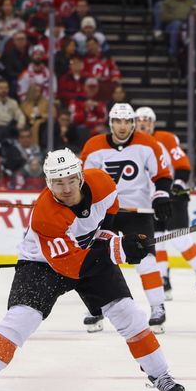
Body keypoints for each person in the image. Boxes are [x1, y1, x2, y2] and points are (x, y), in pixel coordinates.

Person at [0, 149, 186, 391]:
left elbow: (110, 212)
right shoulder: (46, 216)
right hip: (43, 264)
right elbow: (73, 267)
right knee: (21, 319)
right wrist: (117, 250)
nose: (67, 188)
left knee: (129, 314)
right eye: (58, 182)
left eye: (71, 179)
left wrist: (110, 239)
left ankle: (161, 376)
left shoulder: (103, 183)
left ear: (80, 176)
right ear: (48, 183)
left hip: (89, 252)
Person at [80, 103, 173, 333]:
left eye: (127, 122)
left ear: (133, 123)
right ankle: (96, 308)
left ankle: (157, 307)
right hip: (105, 213)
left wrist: (161, 196)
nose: (122, 127)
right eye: (118, 122)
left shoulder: (148, 144)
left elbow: (162, 175)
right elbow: (84, 181)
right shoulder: (93, 146)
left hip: (137, 213)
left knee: (146, 260)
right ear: (111, 123)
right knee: (96, 260)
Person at [134, 106, 196, 299]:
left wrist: (178, 184)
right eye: (140, 120)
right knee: (157, 239)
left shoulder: (165, 139)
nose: (144, 124)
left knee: (177, 237)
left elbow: (183, 166)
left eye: (148, 120)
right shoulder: (132, 144)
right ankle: (164, 278)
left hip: (173, 196)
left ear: (153, 123)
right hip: (150, 199)